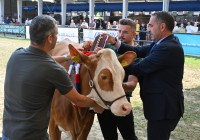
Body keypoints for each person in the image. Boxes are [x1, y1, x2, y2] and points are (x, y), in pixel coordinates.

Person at [2, 15, 103, 140]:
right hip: (33, 136)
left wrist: (66, 57)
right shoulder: (54, 70)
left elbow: (43, 60)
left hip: (8, 133)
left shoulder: (16, 55)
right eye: (56, 35)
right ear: (50, 38)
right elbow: (78, 100)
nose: (57, 38)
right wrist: (97, 102)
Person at [104, 11, 184, 140]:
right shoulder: (162, 42)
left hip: (163, 109)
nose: (148, 29)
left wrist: (109, 61)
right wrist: (115, 42)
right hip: (160, 106)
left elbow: (138, 68)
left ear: (162, 27)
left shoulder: (168, 47)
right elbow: (137, 51)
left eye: (151, 25)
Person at [96, 18, 139, 140]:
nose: (121, 35)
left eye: (125, 32)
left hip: (122, 102)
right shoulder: (109, 49)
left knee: (129, 137)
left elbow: (132, 84)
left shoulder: (136, 57)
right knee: (109, 137)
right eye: (119, 31)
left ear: (134, 34)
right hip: (105, 104)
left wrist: (114, 87)